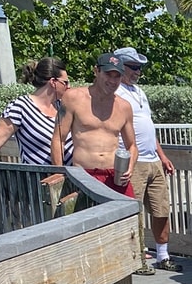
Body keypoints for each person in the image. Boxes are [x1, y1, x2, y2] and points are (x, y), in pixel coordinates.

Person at [113, 46, 176, 273]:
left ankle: (162, 255)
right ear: (119, 65)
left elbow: (148, 127)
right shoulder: (115, 92)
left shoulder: (139, 92)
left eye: (139, 67)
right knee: (133, 210)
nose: (138, 71)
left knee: (161, 209)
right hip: (132, 160)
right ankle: (137, 258)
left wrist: (162, 155)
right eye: (133, 67)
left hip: (153, 160)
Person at [52, 52, 137, 200]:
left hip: (115, 175)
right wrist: (59, 173)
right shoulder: (73, 97)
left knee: (129, 218)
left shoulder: (124, 106)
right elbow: (58, 139)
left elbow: (132, 146)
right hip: (84, 175)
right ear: (96, 71)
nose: (112, 80)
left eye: (117, 76)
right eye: (108, 74)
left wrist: (130, 167)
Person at [0, 56, 73, 166]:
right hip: (38, 179)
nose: (69, 87)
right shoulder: (20, 107)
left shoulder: (63, 106)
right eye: (65, 82)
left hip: (73, 177)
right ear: (53, 82)